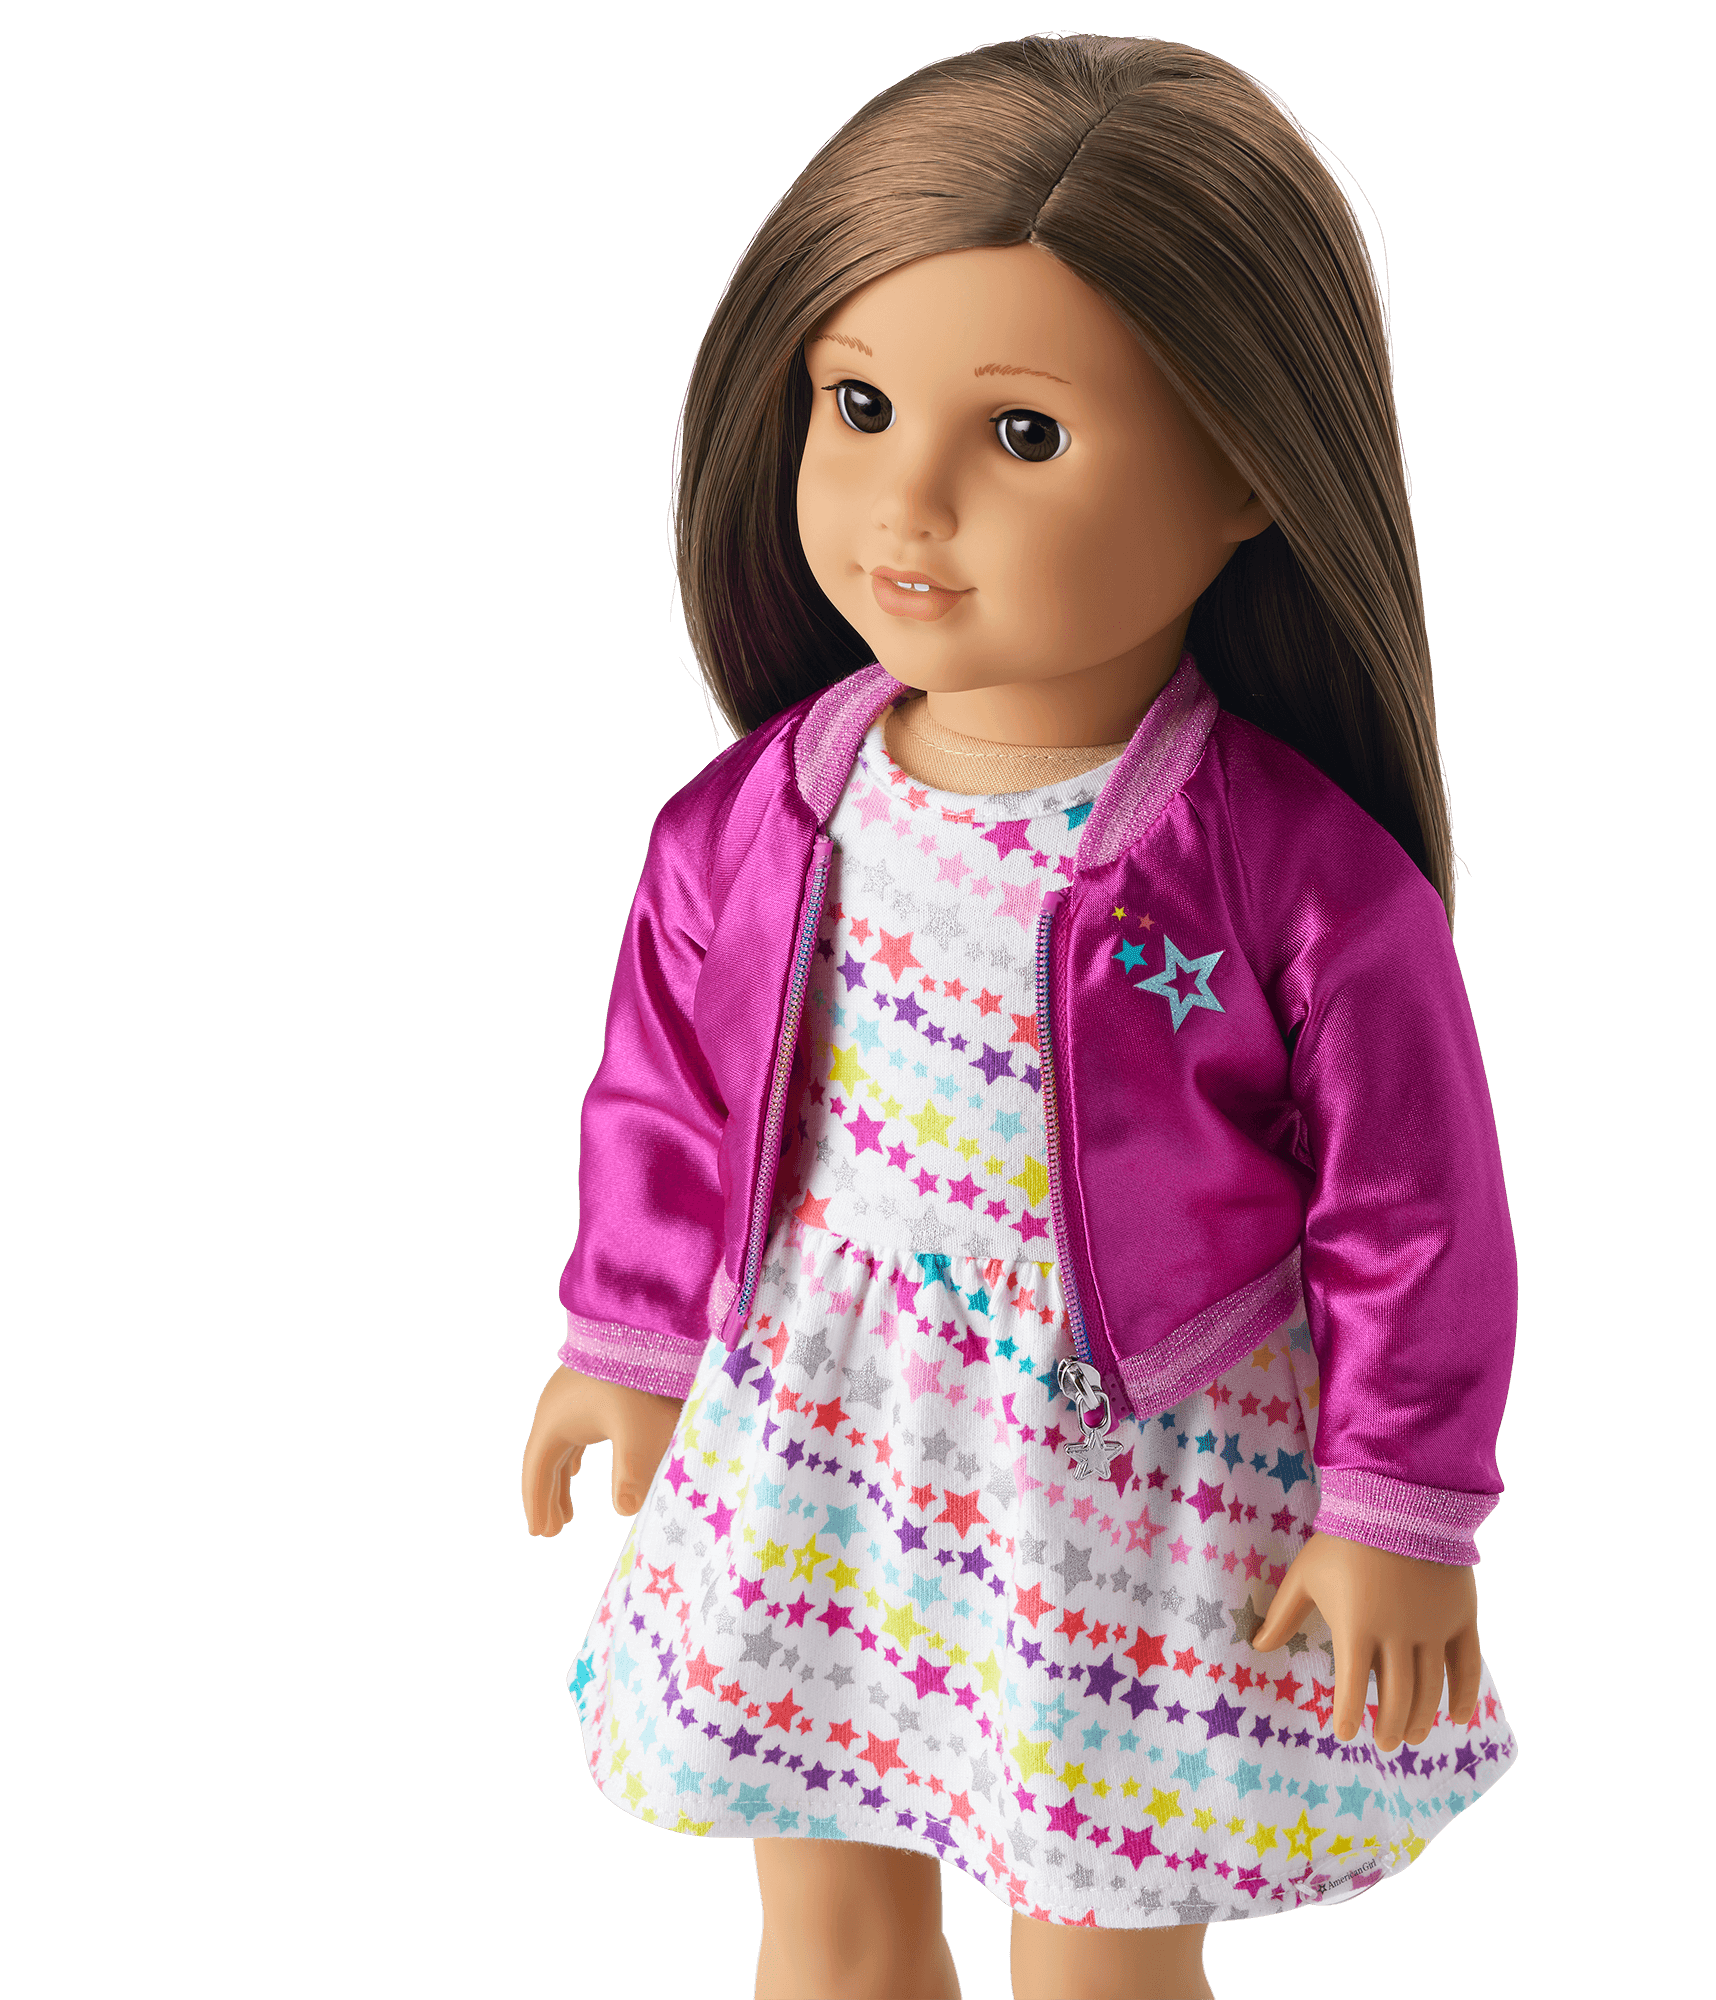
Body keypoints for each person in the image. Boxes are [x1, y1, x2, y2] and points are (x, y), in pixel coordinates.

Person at [521, 34, 1519, 2000]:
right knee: (824, 1916)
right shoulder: (759, 817)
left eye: (1026, 436)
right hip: (819, 1422)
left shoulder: (1293, 877)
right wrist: (626, 1334)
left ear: (1249, 467)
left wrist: (1402, 1500)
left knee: (1096, 1950)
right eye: (858, 404)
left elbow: (1410, 1212)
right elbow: (667, 1093)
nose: (907, 501)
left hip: (1125, 1459)